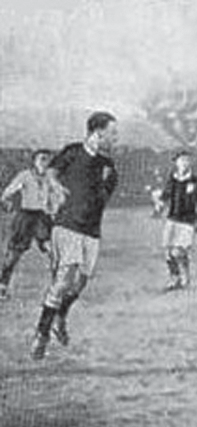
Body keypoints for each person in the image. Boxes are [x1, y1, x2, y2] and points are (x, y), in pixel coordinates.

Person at [30, 111, 119, 360]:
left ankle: (60, 316)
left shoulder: (108, 167)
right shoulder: (72, 152)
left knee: (79, 283)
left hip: (91, 232)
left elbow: (103, 199)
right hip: (67, 226)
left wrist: (103, 184)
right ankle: (42, 334)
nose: (116, 138)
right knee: (63, 280)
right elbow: (51, 173)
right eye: (112, 133)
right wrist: (56, 187)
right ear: (97, 133)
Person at [0, 149, 57, 299]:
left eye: (47, 160)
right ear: (34, 161)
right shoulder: (25, 176)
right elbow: (8, 192)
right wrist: (6, 201)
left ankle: (58, 287)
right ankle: (2, 286)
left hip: (42, 218)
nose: (45, 163)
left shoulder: (50, 177)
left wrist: (53, 210)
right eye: (42, 159)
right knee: (14, 253)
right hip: (25, 217)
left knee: (52, 249)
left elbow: (53, 196)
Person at [157, 151, 197, 291]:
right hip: (172, 219)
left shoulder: (196, 181)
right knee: (167, 250)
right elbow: (165, 196)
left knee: (178, 251)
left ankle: (185, 276)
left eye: (187, 160)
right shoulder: (172, 180)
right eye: (181, 160)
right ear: (176, 163)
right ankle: (175, 278)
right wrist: (159, 202)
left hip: (187, 222)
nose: (184, 163)